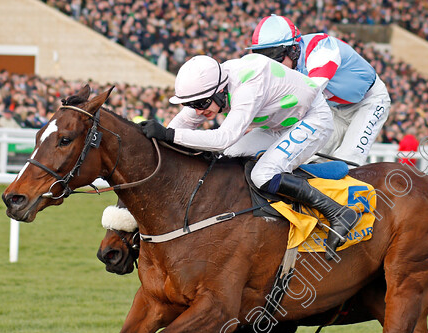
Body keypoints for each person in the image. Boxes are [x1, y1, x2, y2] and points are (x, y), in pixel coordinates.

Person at [139, 54, 358, 258]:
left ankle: (337, 212)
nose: (197, 111)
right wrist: (159, 139)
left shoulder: (247, 88)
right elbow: (182, 124)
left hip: (312, 118)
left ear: (219, 90)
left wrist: (168, 134)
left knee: (263, 174)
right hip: (278, 123)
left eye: (201, 104)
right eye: (191, 104)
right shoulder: (212, 87)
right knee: (228, 156)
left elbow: (224, 137)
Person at [248, 14, 391, 166]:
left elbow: (306, 95)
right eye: (263, 56)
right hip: (332, 107)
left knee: (348, 160)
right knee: (309, 160)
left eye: (274, 56)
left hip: (369, 102)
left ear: (294, 50)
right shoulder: (288, 63)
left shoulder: (323, 50)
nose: (270, 65)